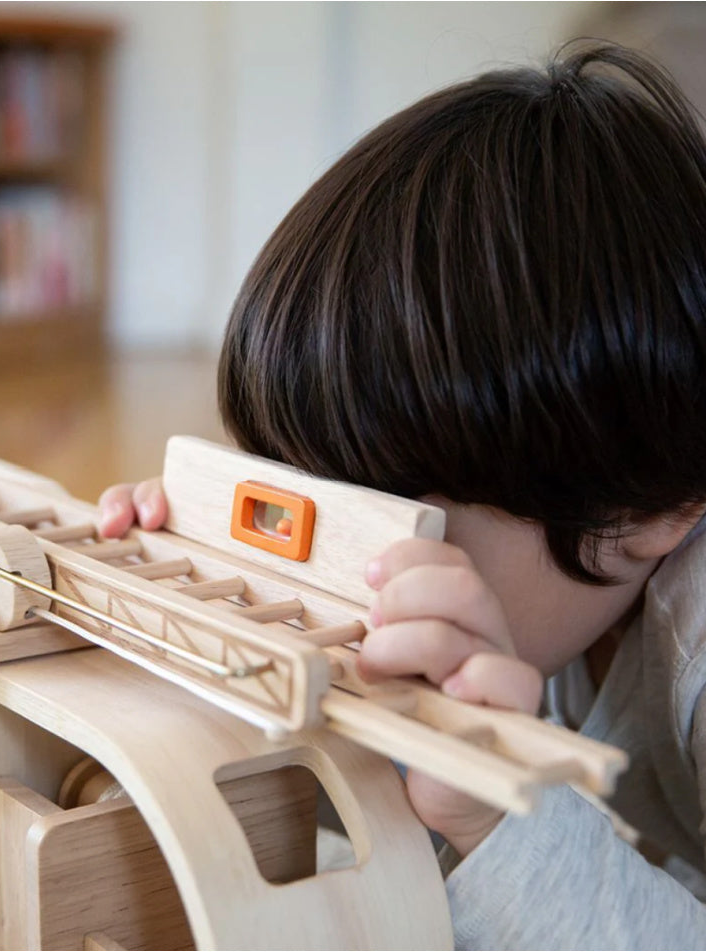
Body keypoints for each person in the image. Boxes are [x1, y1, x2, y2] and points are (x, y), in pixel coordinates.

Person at [99, 41, 706, 948]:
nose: (332, 550)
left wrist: (499, 824)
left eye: (387, 508)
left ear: (653, 510)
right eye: (294, 476)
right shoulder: (567, 575)